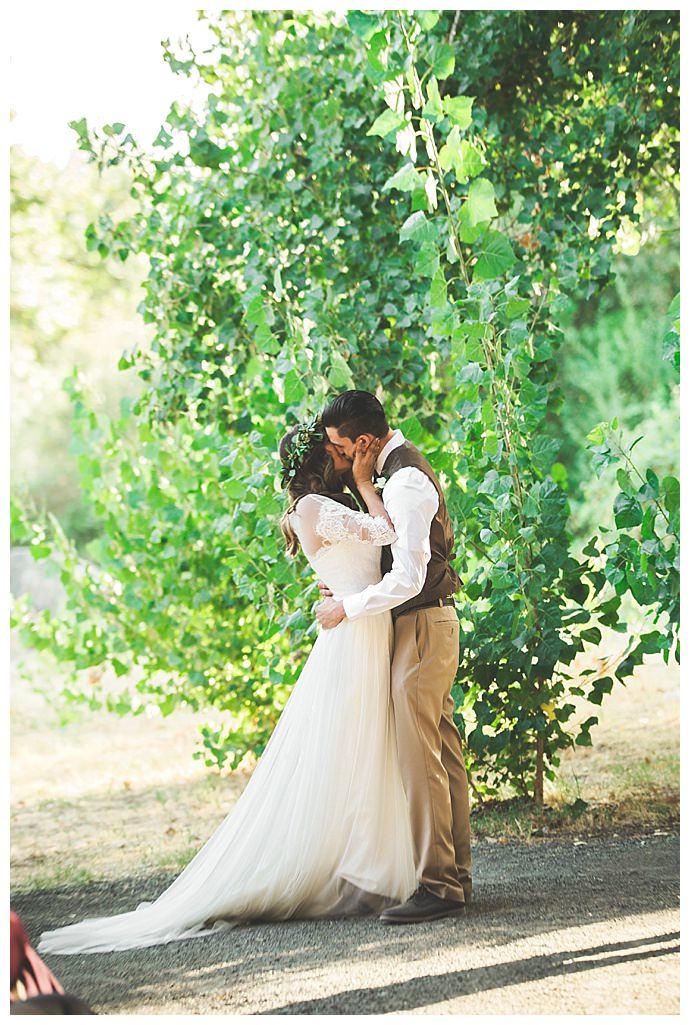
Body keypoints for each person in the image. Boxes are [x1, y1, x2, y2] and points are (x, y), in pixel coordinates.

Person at [37, 417, 416, 955]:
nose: (341, 459)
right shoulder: (313, 508)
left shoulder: (320, 510)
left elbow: (366, 553)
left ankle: (364, 865)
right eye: (332, 454)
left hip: (362, 622)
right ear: (314, 463)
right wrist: (364, 486)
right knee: (356, 745)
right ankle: (359, 870)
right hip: (353, 633)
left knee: (365, 747)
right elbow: (388, 534)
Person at [317, 390, 472, 924]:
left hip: (422, 626)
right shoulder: (392, 473)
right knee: (442, 753)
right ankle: (454, 876)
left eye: (338, 448)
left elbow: (407, 577)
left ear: (364, 442)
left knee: (420, 759)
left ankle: (438, 886)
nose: (333, 457)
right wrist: (362, 487)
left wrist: (347, 609)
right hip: (424, 626)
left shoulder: (405, 481)